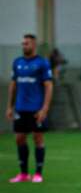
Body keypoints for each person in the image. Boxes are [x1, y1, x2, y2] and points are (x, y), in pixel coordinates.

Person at [5, 34, 53, 183]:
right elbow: (13, 85)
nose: (24, 46)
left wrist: (44, 108)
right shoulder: (17, 63)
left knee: (37, 138)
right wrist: (10, 106)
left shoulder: (42, 63)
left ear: (34, 45)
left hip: (36, 108)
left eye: (27, 44)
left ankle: (38, 173)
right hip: (20, 108)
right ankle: (24, 174)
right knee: (19, 139)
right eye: (23, 44)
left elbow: (49, 86)